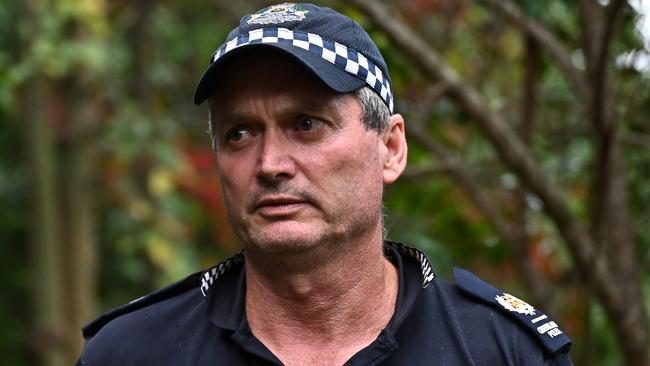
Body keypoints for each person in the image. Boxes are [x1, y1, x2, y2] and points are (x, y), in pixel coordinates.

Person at [77, 3, 572, 365]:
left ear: (391, 149)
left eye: (307, 124)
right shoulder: (131, 353)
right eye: (240, 133)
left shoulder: (503, 350)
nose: (270, 163)